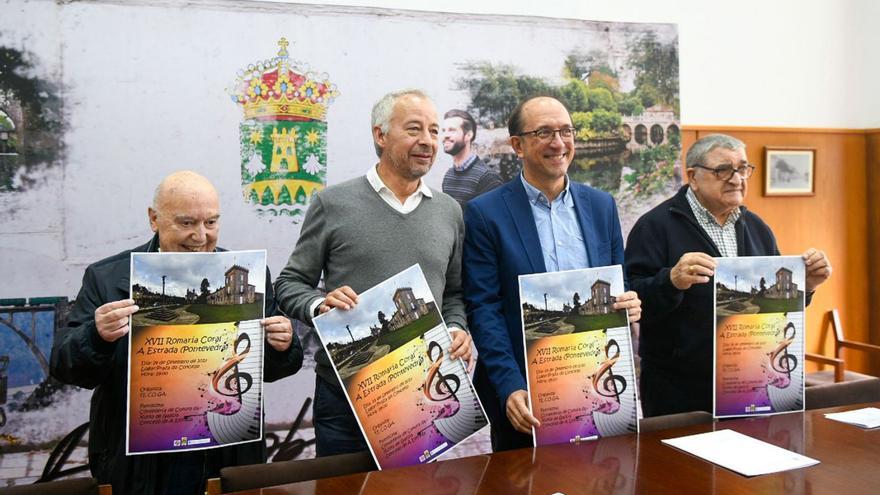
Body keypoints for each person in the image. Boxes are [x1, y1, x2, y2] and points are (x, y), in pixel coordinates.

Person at [50, 171, 303, 495]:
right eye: (186, 223)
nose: (200, 236)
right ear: (153, 219)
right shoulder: (107, 277)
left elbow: (274, 368)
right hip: (139, 461)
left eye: (211, 223)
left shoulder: (247, 274)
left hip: (225, 451)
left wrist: (283, 344)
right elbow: (64, 365)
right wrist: (96, 335)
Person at [274, 89, 473, 457]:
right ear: (380, 135)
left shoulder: (450, 212)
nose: (427, 141)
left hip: (425, 391)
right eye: (414, 129)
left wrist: (458, 328)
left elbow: (454, 294)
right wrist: (319, 305)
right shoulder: (332, 203)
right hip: (345, 397)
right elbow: (289, 284)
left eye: (433, 130)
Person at [462, 96, 641, 452]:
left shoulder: (601, 205)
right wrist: (510, 385)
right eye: (544, 132)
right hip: (526, 393)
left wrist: (630, 302)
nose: (558, 143)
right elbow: (484, 308)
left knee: (604, 477)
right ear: (518, 145)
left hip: (599, 379)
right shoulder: (484, 214)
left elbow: (619, 284)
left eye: (566, 131)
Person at [625, 134, 832, 417]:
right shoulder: (654, 227)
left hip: (754, 380)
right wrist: (671, 281)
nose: (736, 179)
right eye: (723, 170)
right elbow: (634, 306)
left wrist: (806, 287)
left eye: (743, 168)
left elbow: (774, 306)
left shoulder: (757, 227)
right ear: (693, 177)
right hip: (680, 390)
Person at [441, 109, 503, 206]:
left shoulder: (488, 178)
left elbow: (494, 219)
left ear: (468, 135)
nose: (445, 135)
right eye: (444, 131)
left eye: (452, 130)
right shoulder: (449, 176)